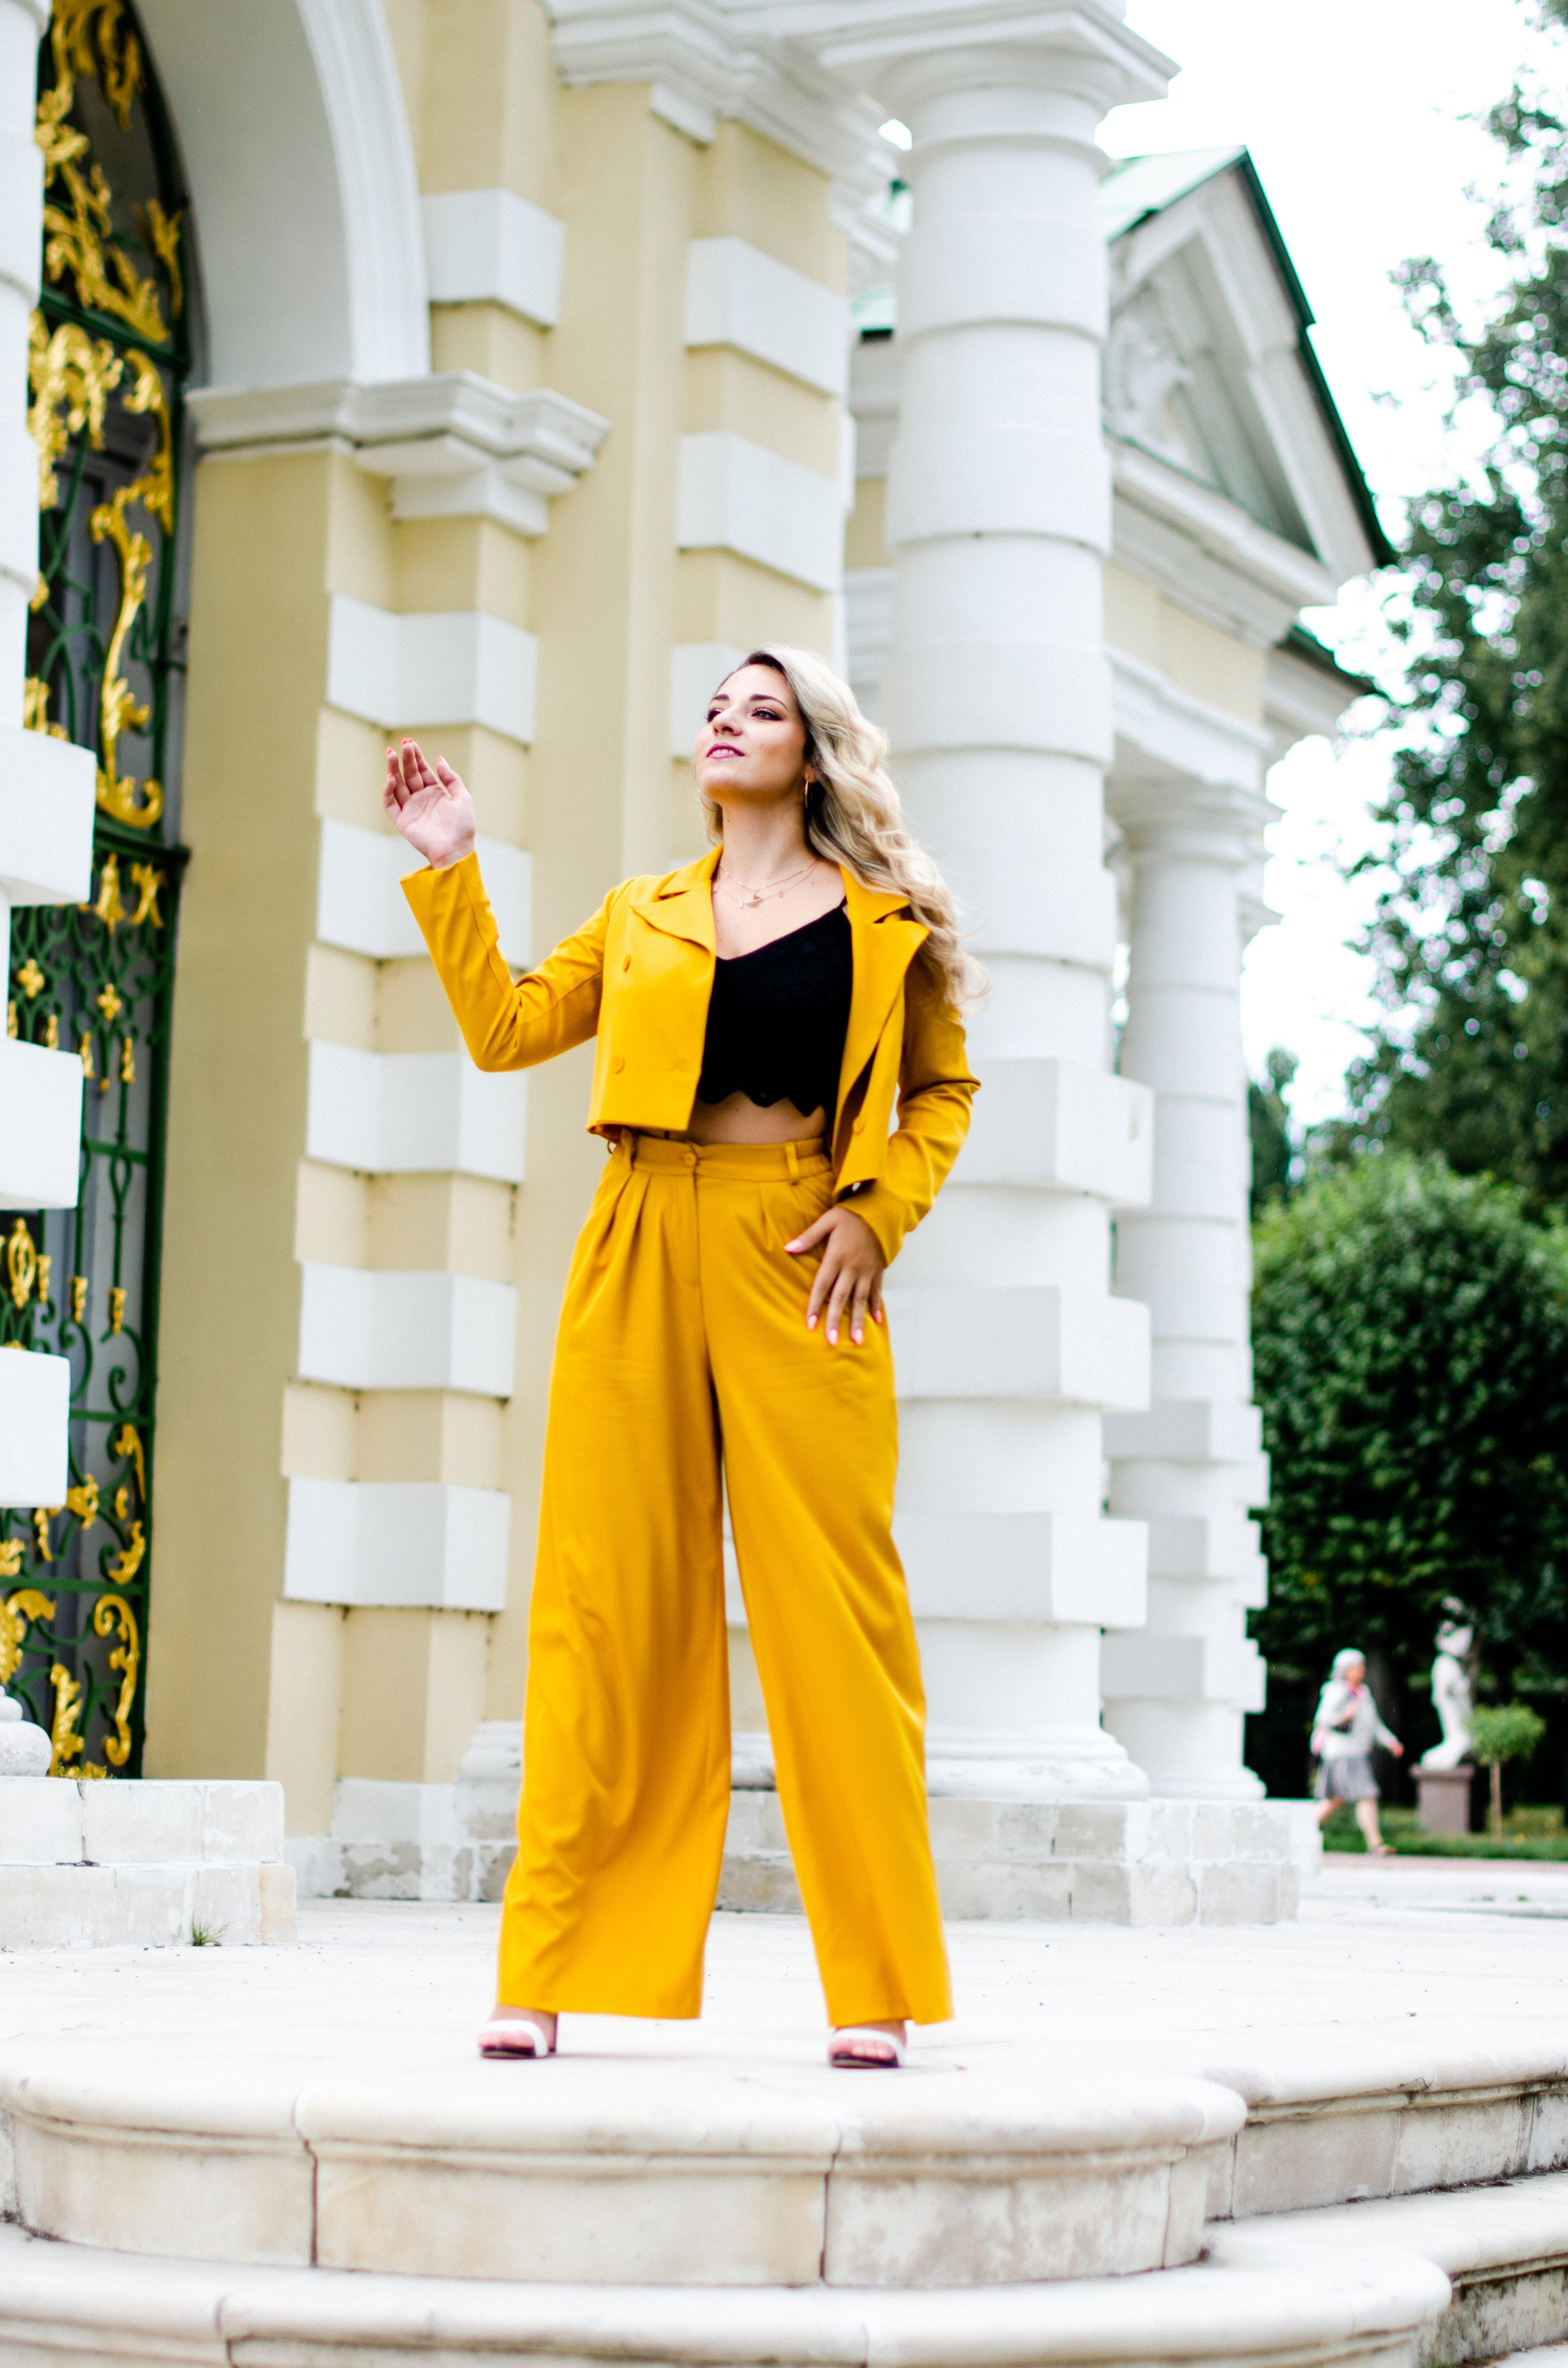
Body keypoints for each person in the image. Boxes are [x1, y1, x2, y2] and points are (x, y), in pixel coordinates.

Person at [383, 646, 981, 2071]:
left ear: (814, 754)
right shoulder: (639, 913)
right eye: (717, 705)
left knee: (838, 1620)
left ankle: (875, 1990)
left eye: (758, 709)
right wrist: (448, 868)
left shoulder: (884, 923)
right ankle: (542, 1974)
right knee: (601, 1610)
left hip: (801, 1263)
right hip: (638, 1238)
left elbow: (939, 1089)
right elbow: (508, 1028)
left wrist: (876, 1213)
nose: (725, 720)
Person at [1312, 1648, 1404, 1856]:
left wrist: (1390, 1742)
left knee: (1334, 1800)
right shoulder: (1336, 1691)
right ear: (1344, 1670)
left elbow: (1373, 1723)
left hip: (1355, 1752)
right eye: (1356, 1668)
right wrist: (1344, 1716)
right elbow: (1323, 1720)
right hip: (1343, 1753)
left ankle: (1299, 1833)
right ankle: (1375, 1843)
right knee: (1366, 1795)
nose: (1361, 1671)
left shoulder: (1363, 1693)